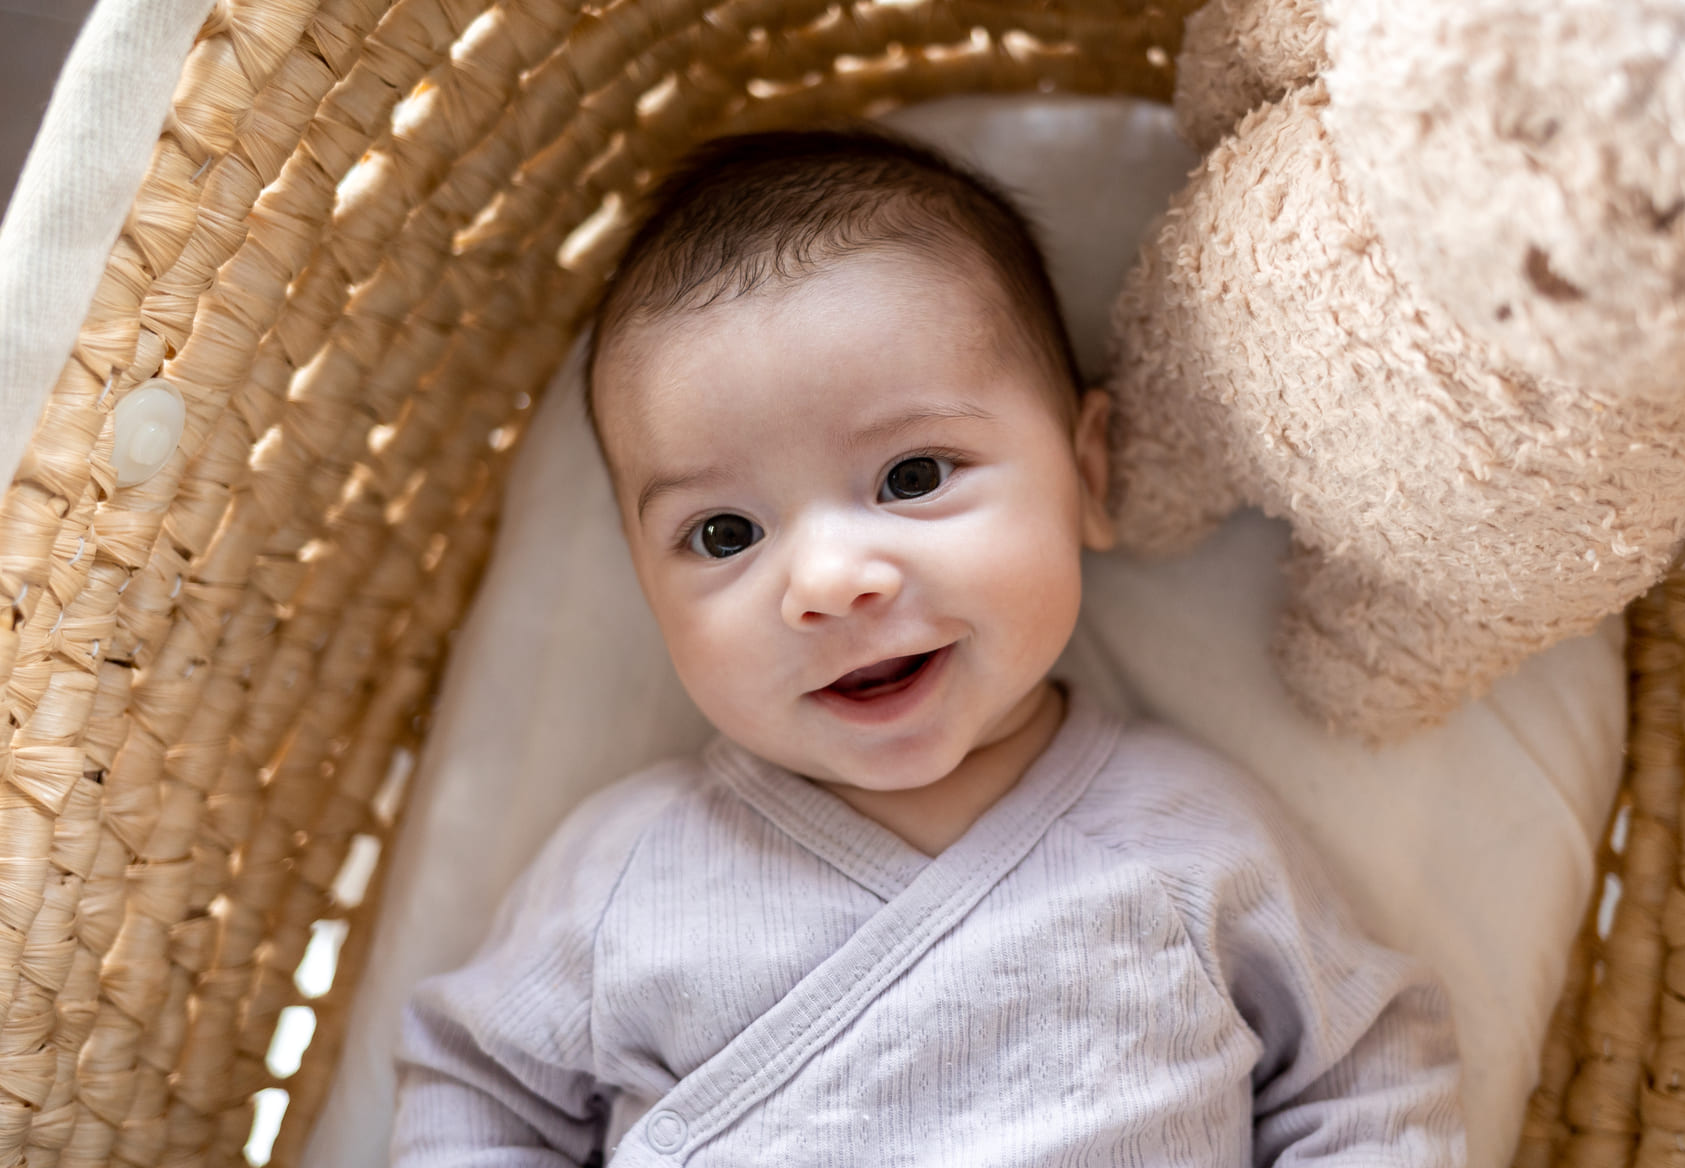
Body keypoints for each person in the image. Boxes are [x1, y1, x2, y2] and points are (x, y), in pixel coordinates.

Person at [389, 127, 1466, 1167]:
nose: (824, 581)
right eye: (725, 535)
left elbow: (1365, 1075)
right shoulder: (625, 872)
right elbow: (478, 1091)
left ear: (1088, 478)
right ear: (643, 585)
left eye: (912, 477)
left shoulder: (1192, 843)